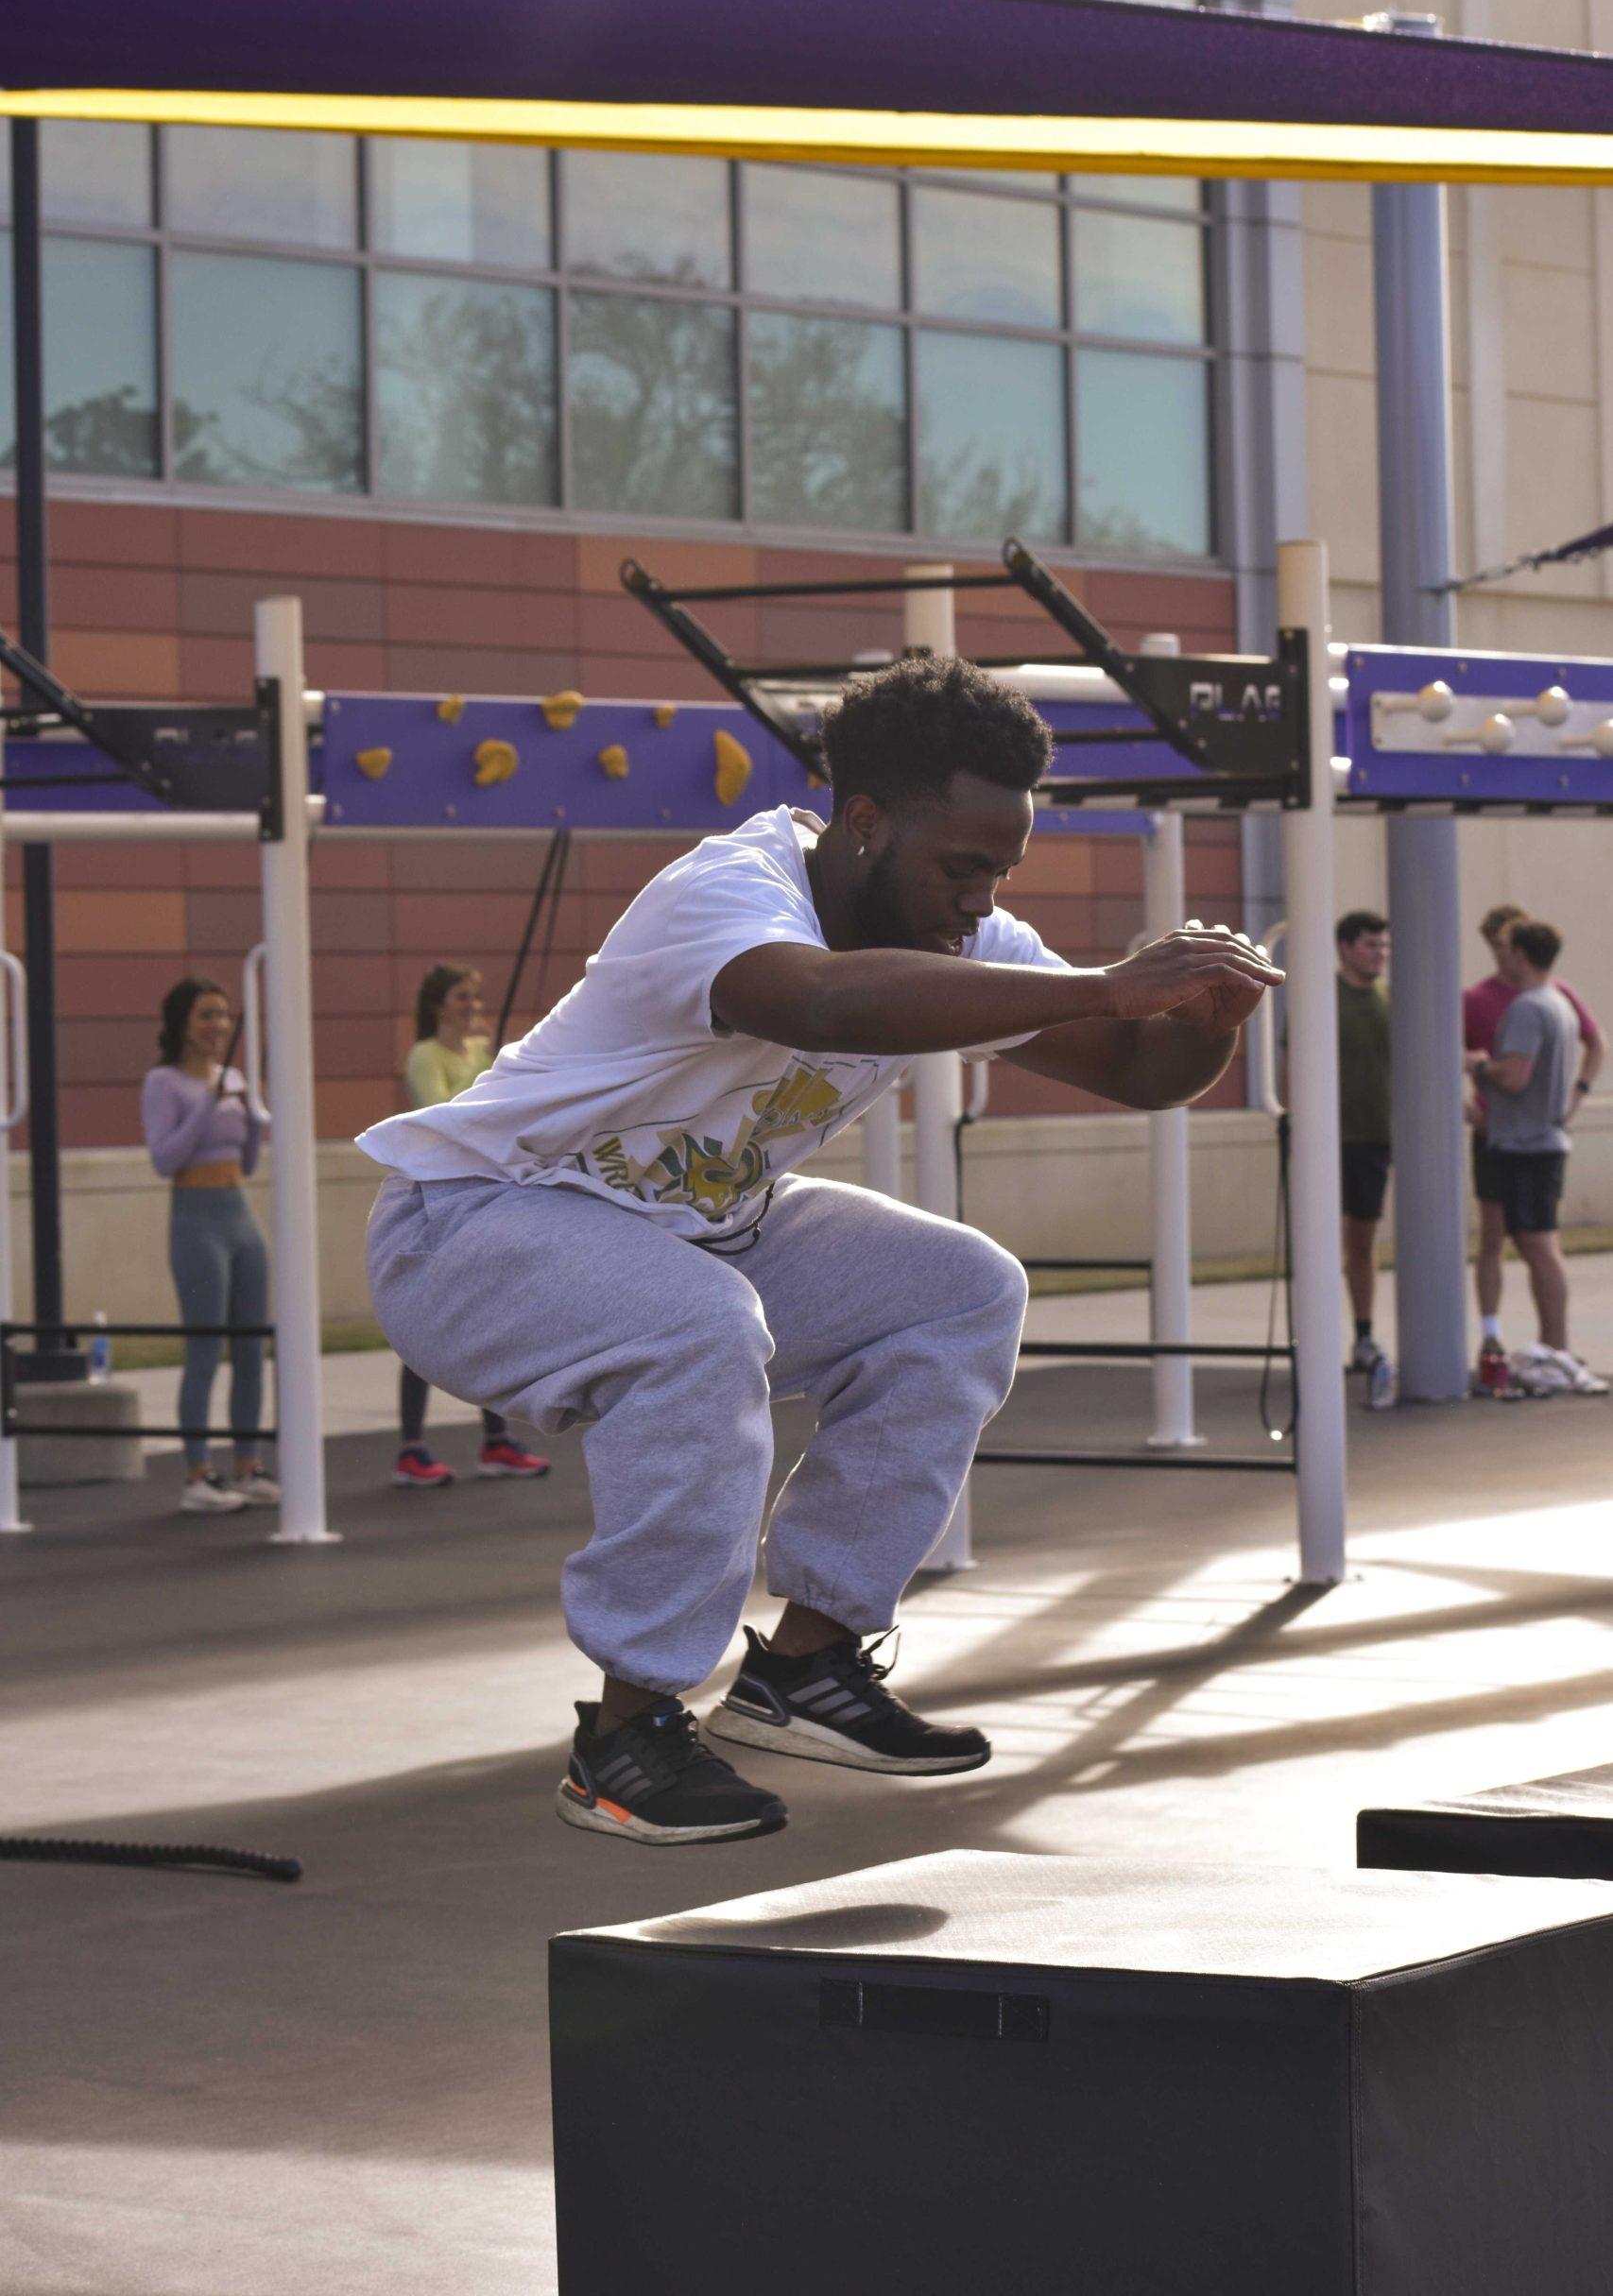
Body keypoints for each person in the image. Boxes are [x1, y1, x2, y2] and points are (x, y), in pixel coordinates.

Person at [358, 656, 1283, 1849]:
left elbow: (1139, 1075)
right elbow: (825, 1008)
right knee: (698, 1326)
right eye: (962, 867)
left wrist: (1203, 1026)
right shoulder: (728, 890)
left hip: (700, 1227)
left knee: (961, 1291)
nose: (979, 900)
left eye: (1003, 871)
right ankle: (625, 1736)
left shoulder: (972, 936)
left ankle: (807, 1667)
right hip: (474, 1226)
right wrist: (1108, 982)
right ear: (863, 823)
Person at [391, 964, 550, 1489]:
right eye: (462, 997)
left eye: (476, 998)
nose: (473, 1007)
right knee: (424, 1316)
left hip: (485, 1195)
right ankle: (412, 1448)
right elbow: (438, 1117)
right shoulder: (425, 1056)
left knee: (486, 1316)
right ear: (440, 1004)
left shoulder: (486, 1054)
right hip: (437, 1199)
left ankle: (496, 1440)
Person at [141, 977, 277, 1514]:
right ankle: (197, 1474)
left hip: (239, 1212)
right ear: (180, 1024)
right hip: (195, 1220)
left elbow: (246, 1162)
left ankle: (248, 1465)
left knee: (251, 1349)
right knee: (203, 1350)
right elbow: (164, 1159)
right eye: (205, 1015)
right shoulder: (163, 1082)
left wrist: (251, 1116)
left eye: (223, 1014)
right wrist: (210, 1105)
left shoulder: (234, 1077)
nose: (218, 1025)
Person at [1464, 918, 1607, 1396]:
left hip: (1525, 1146)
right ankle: (1554, 1350)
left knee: (1539, 1245)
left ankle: (1558, 1351)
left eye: (1505, 947)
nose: (1500, 956)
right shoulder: (1559, 1001)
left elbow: (1516, 1075)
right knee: (1533, 1243)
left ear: (1522, 955)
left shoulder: (1529, 1007)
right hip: (1536, 1142)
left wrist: (1478, 1064)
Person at [1335, 910, 1392, 1375]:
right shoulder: (1325, 999)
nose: (1381, 954)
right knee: (1320, 1240)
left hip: (1377, 1140)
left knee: (1363, 1241)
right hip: (1331, 1141)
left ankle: (1364, 1335)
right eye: (1372, 945)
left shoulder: (1391, 998)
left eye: (1384, 946)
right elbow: (1293, 1064)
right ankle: (1315, 1337)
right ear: (1346, 947)